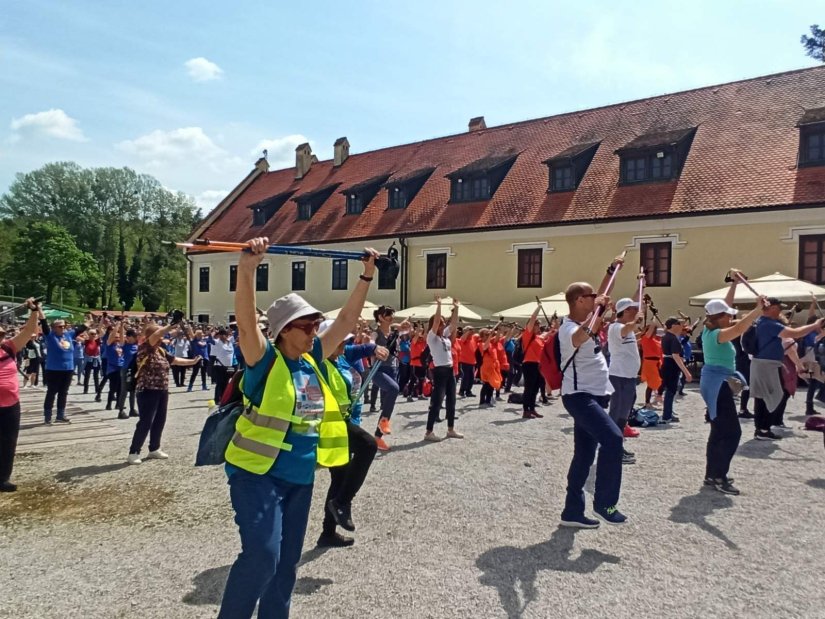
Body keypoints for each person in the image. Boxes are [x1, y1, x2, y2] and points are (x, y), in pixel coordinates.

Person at [218, 237, 376, 619]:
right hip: (256, 475)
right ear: (284, 330)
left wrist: (366, 276)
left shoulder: (313, 361)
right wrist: (247, 268)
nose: (314, 331)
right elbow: (244, 325)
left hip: (299, 478)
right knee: (262, 556)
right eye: (307, 325)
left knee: (286, 565)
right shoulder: (265, 360)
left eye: (316, 325)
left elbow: (346, 322)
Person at [558, 255, 626, 529]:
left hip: (595, 394)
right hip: (578, 396)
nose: (598, 298)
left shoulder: (589, 318)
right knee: (613, 439)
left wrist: (611, 271)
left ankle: (572, 512)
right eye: (591, 296)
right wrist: (596, 312)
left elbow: (603, 292)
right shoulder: (568, 328)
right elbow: (578, 339)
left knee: (584, 456)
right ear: (579, 301)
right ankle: (604, 502)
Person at [316, 320, 385, 547]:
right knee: (368, 445)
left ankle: (327, 533)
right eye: (341, 342)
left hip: (343, 423)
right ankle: (343, 503)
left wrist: (376, 348)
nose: (345, 346)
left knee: (340, 478)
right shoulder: (318, 362)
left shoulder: (341, 358)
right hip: (329, 426)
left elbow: (365, 348)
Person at [699, 277, 766, 495]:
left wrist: (734, 286)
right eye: (727, 314)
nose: (731, 316)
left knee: (718, 430)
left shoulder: (710, 330)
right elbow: (741, 327)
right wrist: (757, 310)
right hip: (717, 384)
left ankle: (712, 474)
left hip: (715, 382)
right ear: (720, 317)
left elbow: (724, 309)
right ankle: (719, 476)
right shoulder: (718, 333)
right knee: (732, 433)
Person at [127, 322, 201, 464]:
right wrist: (171, 325)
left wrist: (192, 361)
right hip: (147, 390)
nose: (161, 339)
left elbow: (175, 360)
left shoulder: (160, 351)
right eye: (159, 335)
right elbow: (157, 334)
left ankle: (154, 448)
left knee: (160, 420)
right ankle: (134, 451)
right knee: (145, 421)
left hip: (162, 390)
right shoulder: (144, 348)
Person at [750, 297, 823, 440]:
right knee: (772, 396)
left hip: (763, 363)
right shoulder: (769, 324)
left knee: (764, 397)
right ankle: (763, 429)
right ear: (771, 308)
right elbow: (796, 333)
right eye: (778, 308)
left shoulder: (760, 322)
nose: (780, 311)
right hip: (767, 365)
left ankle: (762, 429)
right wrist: (815, 325)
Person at [0, 300, 43, 491]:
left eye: (0, 334)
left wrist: (34, 311)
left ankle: (2, 478)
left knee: (9, 442)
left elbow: (28, 332)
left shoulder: (9, 347)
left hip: (11, 405)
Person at [607, 298, 641, 464]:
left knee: (623, 416)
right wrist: (636, 321)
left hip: (628, 377)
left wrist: (640, 284)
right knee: (616, 414)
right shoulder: (616, 327)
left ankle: (616, 446)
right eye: (633, 309)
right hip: (619, 376)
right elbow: (627, 327)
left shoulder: (627, 327)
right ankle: (611, 449)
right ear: (626, 311)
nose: (636, 311)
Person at [424, 297, 463, 441]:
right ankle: (428, 432)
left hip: (449, 370)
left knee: (451, 400)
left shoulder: (444, 337)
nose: (442, 325)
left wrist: (456, 308)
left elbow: (453, 325)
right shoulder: (431, 337)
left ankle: (450, 429)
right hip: (439, 371)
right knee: (437, 402)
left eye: (442, 324)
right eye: (441, 323)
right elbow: (435, 322)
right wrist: (439, 305)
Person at [370, 305, 407, 452]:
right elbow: (371, 343)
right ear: (380, 317)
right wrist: (373, 348)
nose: (391, 317)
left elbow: (405, 328)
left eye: (392, 314)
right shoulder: (376, 333)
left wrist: (405, 326)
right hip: (378, 369)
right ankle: (383, 423)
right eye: (388, 315)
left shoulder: (394, 332)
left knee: (387, 405)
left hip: (393, 369)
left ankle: (377, 437)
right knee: (394, 389)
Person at [41, 313, 77, 425]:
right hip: (53, 369)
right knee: (51, 392)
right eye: (60, 326)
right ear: (54, 328)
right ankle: (47, 416)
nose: (63, 328)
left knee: (63, 392)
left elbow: (82, 328)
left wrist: (90, 320)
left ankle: (60, 415)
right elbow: (44, 324)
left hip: (68, 368)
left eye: (64, 326)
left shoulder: (68, 335)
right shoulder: (50, 336)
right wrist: (39, 310)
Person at [660, 317, 693, 423]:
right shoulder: (673, 338)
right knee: (671, 390)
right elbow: (675, 355)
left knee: (670, 390)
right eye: (679, 324)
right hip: (671, 365)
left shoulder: (666, 336)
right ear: (673, 326)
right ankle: (667, 415)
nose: (681, 327)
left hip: (667, 364)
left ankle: (668, 412)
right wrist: (686, 372)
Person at [521, 306, 547, 419]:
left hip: (538, 365)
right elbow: (532, 319)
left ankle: (532, 408)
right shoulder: (528, 335)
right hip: (529, 364)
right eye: (537, 324)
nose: (539, 326)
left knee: (536, 388)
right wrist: (538, 309)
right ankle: (526, 410)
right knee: (529, 387)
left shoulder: (538, 337)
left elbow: (547, 334)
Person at [639, 321, 664, 408]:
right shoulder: (646, 338)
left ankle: (658, 396)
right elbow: (650, 331)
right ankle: (647, 402)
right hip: (650, 362)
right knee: (651, 383)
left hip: (657, 362)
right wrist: (653, 322)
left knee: (661, 381)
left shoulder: (655, 340)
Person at [116, 328, 139, 419]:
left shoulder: (137, 345)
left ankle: (132, 409)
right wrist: (121, 325)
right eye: (134, 336)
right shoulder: (125, 345)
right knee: (124, 390)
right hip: (126, 369)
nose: (136, 338)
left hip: (134, 370)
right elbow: (121, 338)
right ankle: (121, 410)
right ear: (129, 337)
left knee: (133, 390)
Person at [187, 327, 211, 391]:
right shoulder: (194, 340)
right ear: (196, 335)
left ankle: (204, 385)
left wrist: (210, 332)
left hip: (205, 358)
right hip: (197, 358)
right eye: (199, 334)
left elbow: (211, 338)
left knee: (203, 372)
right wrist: (189, 328)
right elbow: (191, 334)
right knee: (195, 372)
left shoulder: (205, 340)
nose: (200, 335)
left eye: (201, 334)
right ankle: (190, 386)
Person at [458, 326, 478, 397]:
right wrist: (468, 331)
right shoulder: (463, 339)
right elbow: (462, 339)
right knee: (465, 377)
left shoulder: (473, 338)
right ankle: (461, 391)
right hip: (464, 361)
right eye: (469, 330)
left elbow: (480, 335)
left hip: (472, 362)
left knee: (471, 378)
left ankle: (468, 391)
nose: (471, 331)